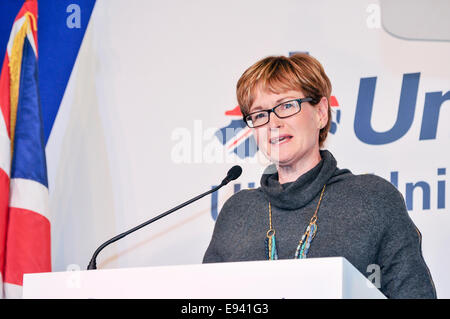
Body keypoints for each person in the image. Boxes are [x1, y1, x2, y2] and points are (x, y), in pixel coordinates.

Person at [203, 53, 436, 299]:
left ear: (321, 112)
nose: (273, 123)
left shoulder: (374, 199)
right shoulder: (236, 211)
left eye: (286, 106)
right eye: (260, 114)